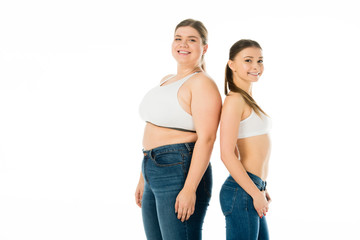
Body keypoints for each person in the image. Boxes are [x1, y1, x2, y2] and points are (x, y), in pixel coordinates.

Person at [135, 19, 222, 240]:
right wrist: (143, 178)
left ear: (204, 47)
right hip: (152, 166)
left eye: (191, 40)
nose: (183, 44)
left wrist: (190, 188)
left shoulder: (202, 83)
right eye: (178, 38)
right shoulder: (167, 80)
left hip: (179, 170)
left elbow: (208, 138)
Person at [219, 39, 272, 240]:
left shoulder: (246, 98)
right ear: (231, 64)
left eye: (260, 60)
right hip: (242, 192)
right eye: (248, 60)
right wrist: (254, 192)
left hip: (252, 187)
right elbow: (225, 153)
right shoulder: (234, 100)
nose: (256, 66)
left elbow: (235, 151)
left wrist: (261, 188)